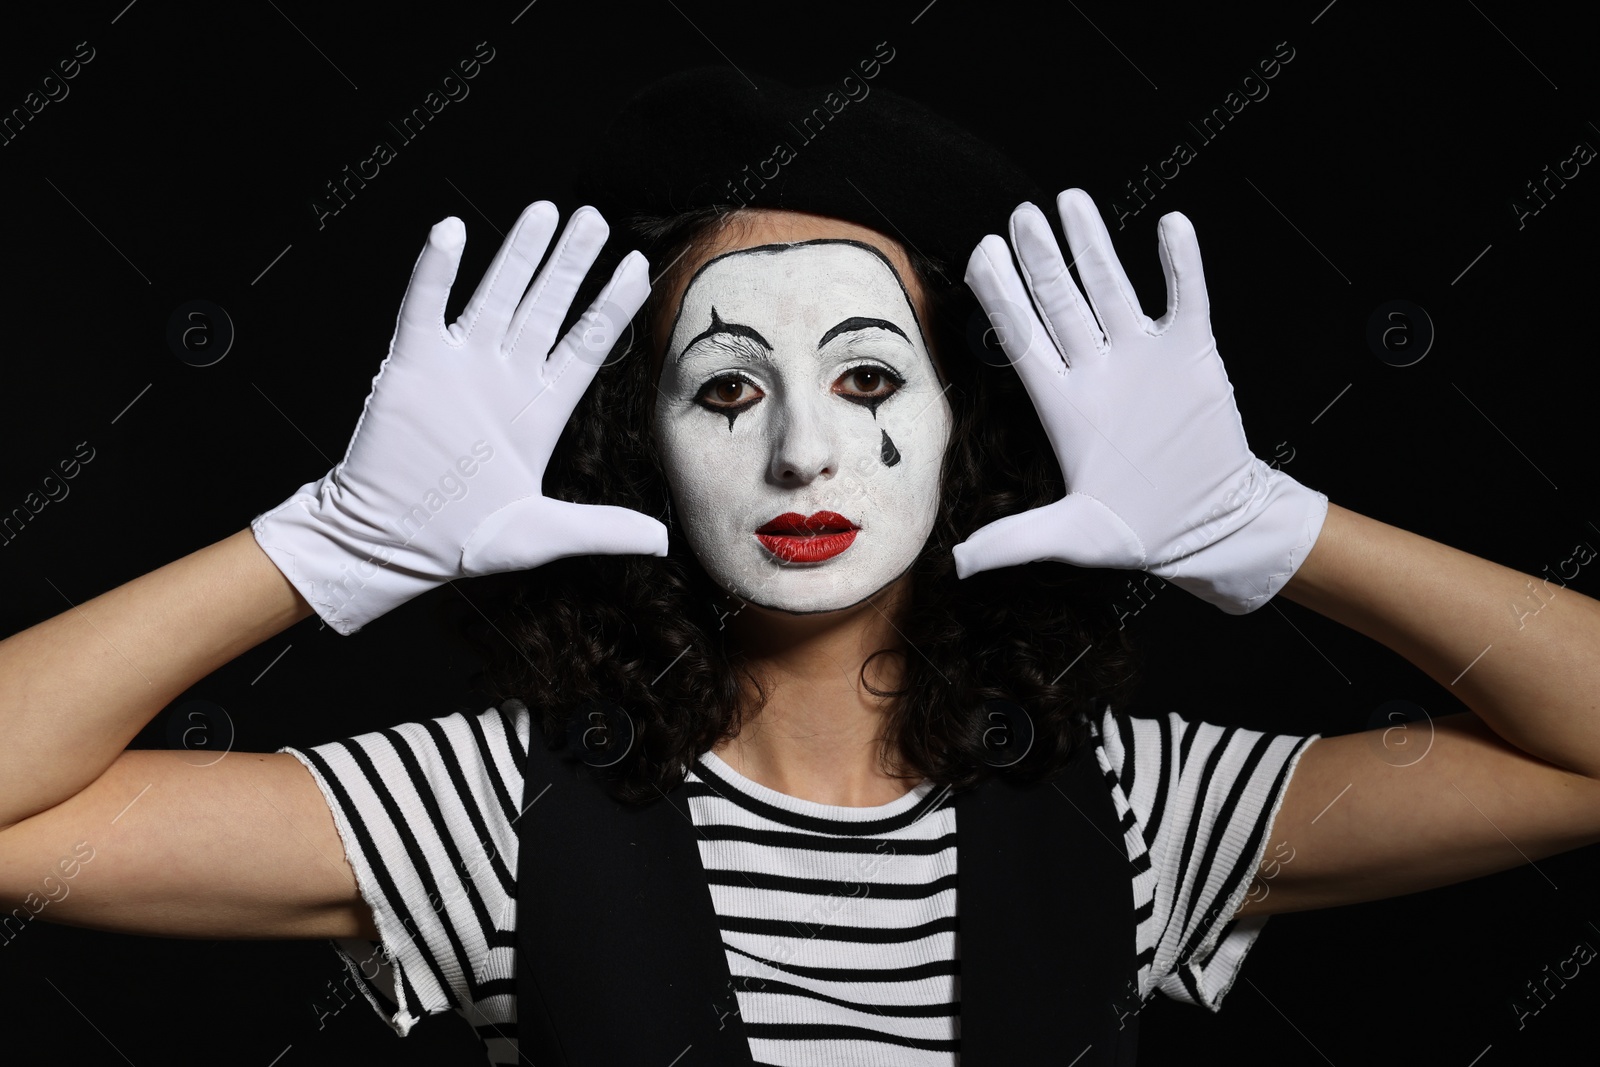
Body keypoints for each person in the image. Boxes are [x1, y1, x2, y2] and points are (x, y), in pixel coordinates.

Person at [3, 68, 1598, 1067]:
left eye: (866, 378)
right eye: (726, 388)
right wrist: (325, 545)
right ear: (644, 445)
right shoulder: (491, 816)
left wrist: (1274, 530)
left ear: (961, 427)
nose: (801, 458)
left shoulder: (1139, 809)